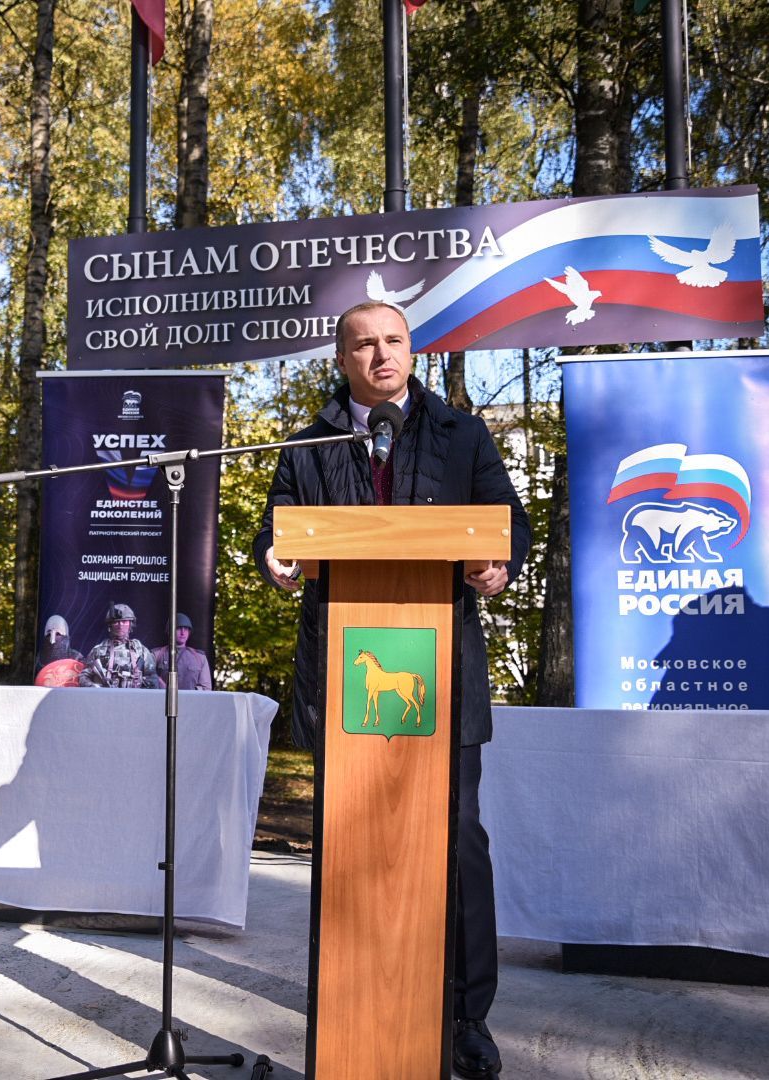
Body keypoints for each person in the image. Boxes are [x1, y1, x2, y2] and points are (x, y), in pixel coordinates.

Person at [253, 300, 530, 1080]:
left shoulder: (461, 434)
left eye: (395, 341)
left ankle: (465, 1017)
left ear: (413, 351)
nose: (382, 355)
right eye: (364, 344)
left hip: (444, 674)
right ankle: (349, 1006)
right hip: (345, 679)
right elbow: (275, 532)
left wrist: (496, 563)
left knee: (458, 838)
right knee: (348, 841)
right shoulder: (310, 445)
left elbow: (510, 521)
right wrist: (276, 559)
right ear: (341, 359)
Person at [78, 603, 160, 688]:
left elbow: (152, 678)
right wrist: (95, 687)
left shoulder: (140, 650)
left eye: (124, 621)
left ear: (130, 624)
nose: (120, 625)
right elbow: (84, 677)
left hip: (135, 698)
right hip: (105, 697)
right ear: (110, 625)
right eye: (116, 622)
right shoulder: (99, 650)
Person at [150, 612, 212, 691]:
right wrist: (159, 683)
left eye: (186, 629)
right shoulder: (157, 654)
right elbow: (148, 679)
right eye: (178, 628)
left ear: (189, 632)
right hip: (163, 700)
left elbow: (206, 688)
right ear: (170, 631)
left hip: (191, 700)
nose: (183, 632)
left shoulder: (199, 657)